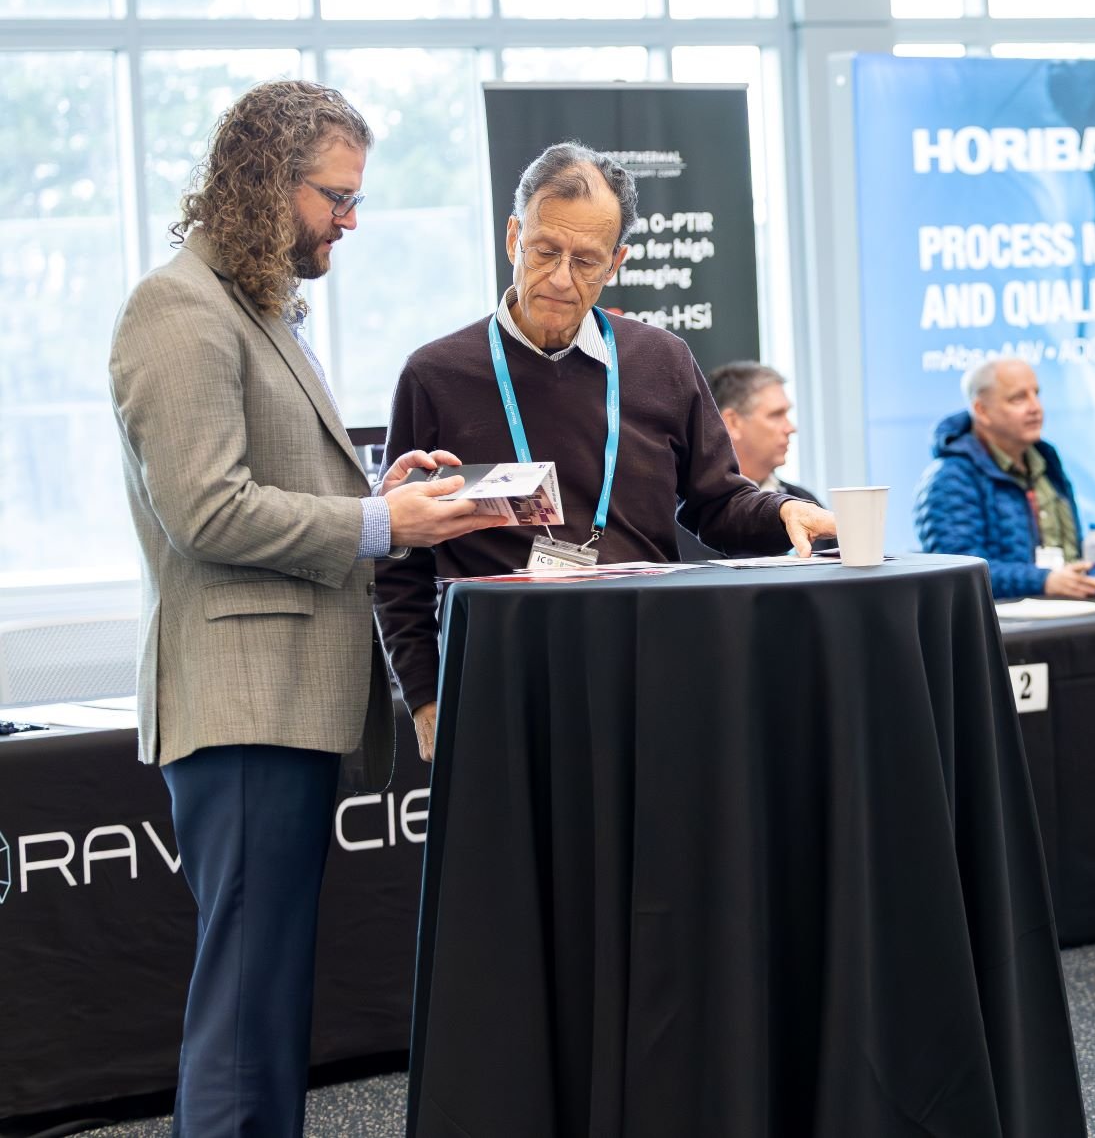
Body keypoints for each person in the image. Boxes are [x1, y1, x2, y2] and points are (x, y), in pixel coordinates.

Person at [107, 80, 497, 1135]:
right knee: (245, 1007)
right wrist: (384, 528)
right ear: (265, 183)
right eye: (337, 195)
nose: (351, 220)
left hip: (282, 700)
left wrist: (375, 494)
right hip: (242, 705)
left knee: (265, 1000)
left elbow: (261, 481)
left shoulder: (253, 304)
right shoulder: (177, 309)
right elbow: (207, 510)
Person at [375, 144, 836, 757]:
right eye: (545, 251)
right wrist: (426, 695)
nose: (562, 279)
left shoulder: (661, 362)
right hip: (500, 683)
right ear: (513, 235)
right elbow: (400, 557)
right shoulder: (437, 376)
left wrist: (779, 514)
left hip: (648, 670)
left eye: (587, 261)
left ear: (616, 262)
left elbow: (716, 502)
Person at [912, 358, 1095, 601]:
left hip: (1072, 613)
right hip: (1001, 628)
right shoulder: (950, 477)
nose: (1036, 407)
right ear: (981, 410)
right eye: (1018, 398)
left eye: (1036, 394)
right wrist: (1043, 580)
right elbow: (958, 571)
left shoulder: (1046, 462)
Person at [675, 362, 822, 562]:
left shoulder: (804, 503)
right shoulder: (681, 518)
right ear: (733, 422)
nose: (790, 428)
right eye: (776, 415)